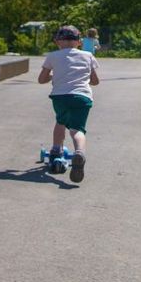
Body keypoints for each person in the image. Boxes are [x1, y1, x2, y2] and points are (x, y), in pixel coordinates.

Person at [38, 25, 100, 183]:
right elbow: (95, 81)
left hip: (60, 97)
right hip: (82, 97)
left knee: (60, 122)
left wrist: (54, 75)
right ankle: (79, 152)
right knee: (77, 129)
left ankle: (56, 150)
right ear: (79, 42)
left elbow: (41, 80)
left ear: (57, 42)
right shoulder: (88, 55)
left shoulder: (52, 56)